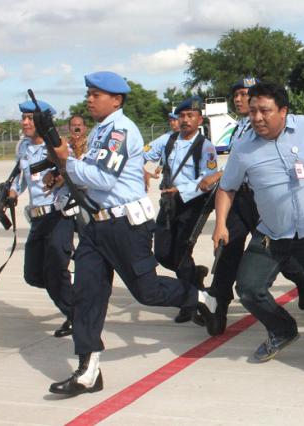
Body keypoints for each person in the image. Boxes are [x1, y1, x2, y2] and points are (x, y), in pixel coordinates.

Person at [48, 71, 218, 397]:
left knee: (147, 291)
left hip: (126, 226)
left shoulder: (121, 131)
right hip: (96, 227)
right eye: (89, 93)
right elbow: (88, 179)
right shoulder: (100, 132)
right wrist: (65, 168)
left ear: (116, 99)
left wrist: (67, 161)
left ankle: (199, 297)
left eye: (96, 94)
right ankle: (88, 370)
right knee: (87, 296)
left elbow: (102, 178)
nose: (89, 99)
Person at [213, 82, 304, 364]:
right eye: (253, 111)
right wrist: (220, 224)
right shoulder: (243, 147)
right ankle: (282, 329)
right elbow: (227, 187)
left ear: (283, 111)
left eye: (265, 111)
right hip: (271, 232)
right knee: (248, 288)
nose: (257, 118)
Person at [206, 77, 304, 335]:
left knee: (276, 251)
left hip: (261, 200)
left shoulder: (269, 126)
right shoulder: (239, 128)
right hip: (238, 199)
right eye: (237, 95)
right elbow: (235, 166)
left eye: (245, 95)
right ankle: (219, 306)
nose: (240, 100)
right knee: (227, 252)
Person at [145, 97, 219, 324]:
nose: (185, 120)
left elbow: (209, 177)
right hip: (169, 203)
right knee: (161, 253)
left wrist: (181, 189)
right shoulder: (168, 140)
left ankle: (189, 302)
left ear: (199, 119)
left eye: (190, 116)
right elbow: (141, 154)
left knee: (180, 253)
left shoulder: (205, 146)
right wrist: (143, 171)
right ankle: (195, 279)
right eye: (182, 116)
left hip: (192, 203)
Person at [8, 100, 75, 338]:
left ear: (43, 121)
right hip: (37, 219)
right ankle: (73, 297)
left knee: (56, 266)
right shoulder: (23, 147)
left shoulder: (57, 146)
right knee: (34, 275)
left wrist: (61, 178)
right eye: (23, 118)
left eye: (30, 118)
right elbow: (21, 178)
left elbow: (74, 173)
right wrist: (13, 192)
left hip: (59, 215)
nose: (25, 122)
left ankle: (76, 314)